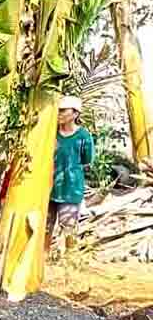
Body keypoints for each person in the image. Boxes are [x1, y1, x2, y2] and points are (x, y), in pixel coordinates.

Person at [47, 95, 95, 251]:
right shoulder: (50, 133)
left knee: (68, 228)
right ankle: (42, 259)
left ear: (75, 114)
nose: (59, 113)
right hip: (48, 187)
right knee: (45, 228)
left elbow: (87, 159)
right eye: (58, 110)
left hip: (71, 188)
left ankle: (71, 259)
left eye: (63, 111)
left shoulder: (83, 136)